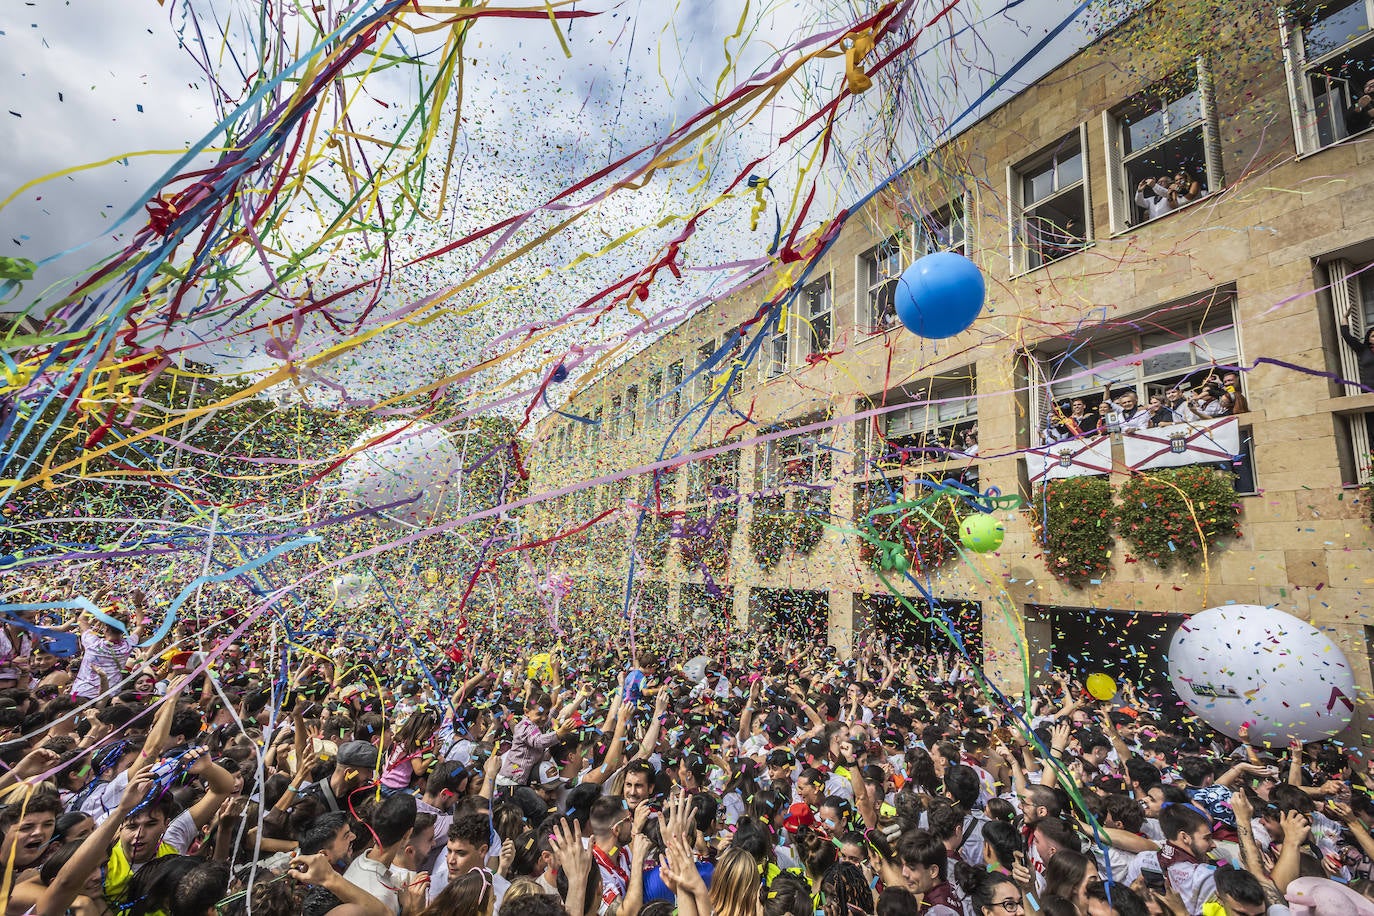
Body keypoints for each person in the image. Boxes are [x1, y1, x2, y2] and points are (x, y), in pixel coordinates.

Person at [1339, 323, 1374, 391]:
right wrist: (1345, 317)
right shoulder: (1363, 350)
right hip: (1369, 390)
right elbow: (1347, 336)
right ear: (1369, 339)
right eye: (1373, 336)